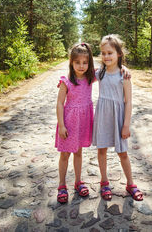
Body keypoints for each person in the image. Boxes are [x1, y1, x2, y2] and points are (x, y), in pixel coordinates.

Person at [92, 34, 143, 201]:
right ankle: (104, 182)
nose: (106, 56)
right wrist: (65, 80)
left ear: (119, 54)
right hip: (103, 116)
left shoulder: (124, 75)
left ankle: (130, 183)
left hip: (119, 117)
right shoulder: (99, 73)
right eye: (103, 53)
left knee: (123, 152)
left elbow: (128, 102)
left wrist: (126, 125)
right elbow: (80, 73)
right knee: (102, 150)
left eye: (110, 53)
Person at [55, 43, 95, 203]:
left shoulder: (90, 78)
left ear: (89, 63)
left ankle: (78, 181)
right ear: (71, 62)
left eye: (85, 62)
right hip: (69, 122)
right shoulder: (66, 82)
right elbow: (59, 103)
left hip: (83, 123)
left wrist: (124, 70)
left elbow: (109, 70)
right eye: (77, 62)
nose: (81, 66)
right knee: (65, 154)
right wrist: (62, 125)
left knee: (79, 152)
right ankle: (62, 184)